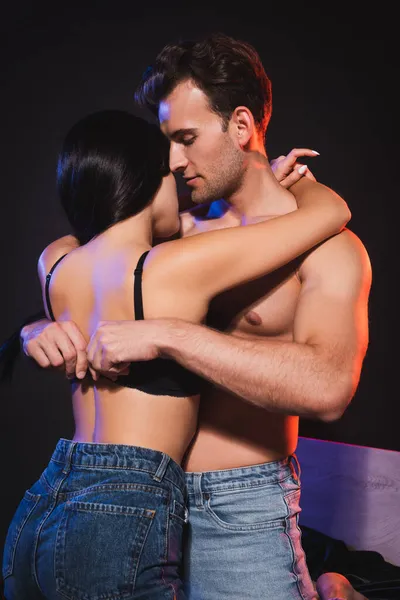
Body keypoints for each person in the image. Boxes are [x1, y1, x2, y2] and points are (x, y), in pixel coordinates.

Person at [18, 33, 372, 600]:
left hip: (238, 508)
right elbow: (77, 259)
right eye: (166, 145)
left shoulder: (328, 249)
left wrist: (170, 336)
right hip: (134, 503)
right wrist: (37, 328)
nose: (174, 162)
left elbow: (329, 387)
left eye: (186, 139)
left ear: (240, 125)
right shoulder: (175, 231)